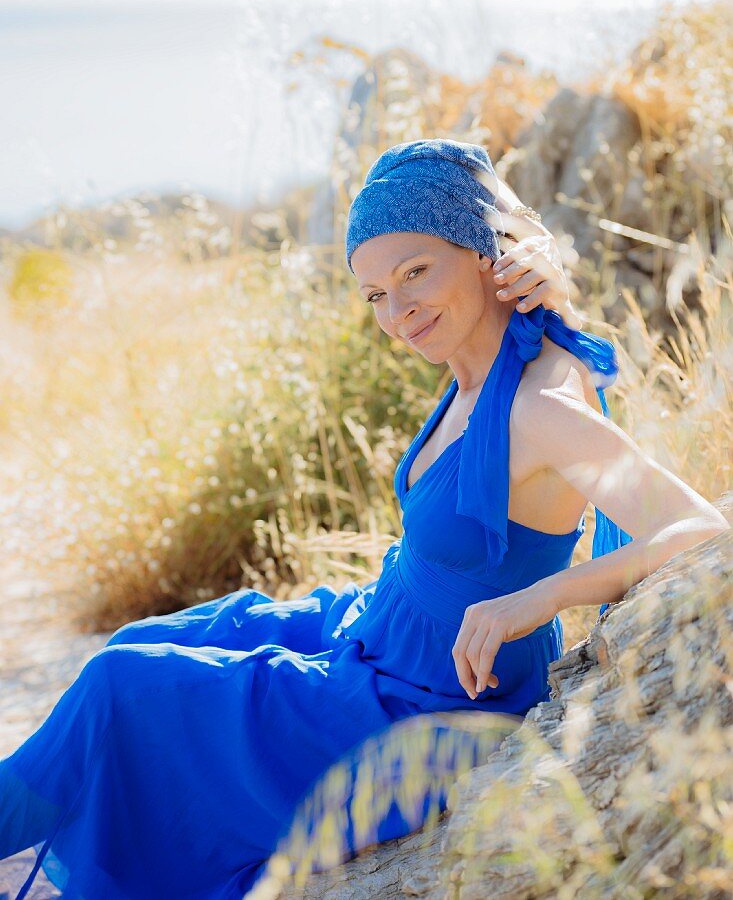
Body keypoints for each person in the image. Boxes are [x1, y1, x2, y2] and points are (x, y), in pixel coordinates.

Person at [0, 139, 726, 900]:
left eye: (415, 272)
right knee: (142, 641)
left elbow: (698, 529)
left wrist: (541, 598)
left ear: (480, 252)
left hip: (421, 704)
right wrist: (536, 258)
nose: (398, 310)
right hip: (374, 632)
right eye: (375, 293)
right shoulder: (481, 361)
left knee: (125, 686)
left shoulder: (539, 407)